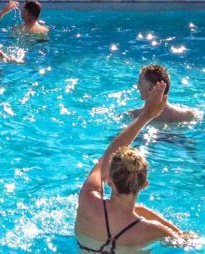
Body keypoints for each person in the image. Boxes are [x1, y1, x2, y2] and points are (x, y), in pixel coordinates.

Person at [75, 81, 195, 252]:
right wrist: (179, 233)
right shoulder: (153, 230)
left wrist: (146, 115)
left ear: (108, 179)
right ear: (144, 184)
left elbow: (108, 154)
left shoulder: (88, 201)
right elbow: (183, 242)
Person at [127, 64, 199, 123]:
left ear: (150, 89)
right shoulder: (187, 115)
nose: (137, 86)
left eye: (139, 83)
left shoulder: (133, 116)